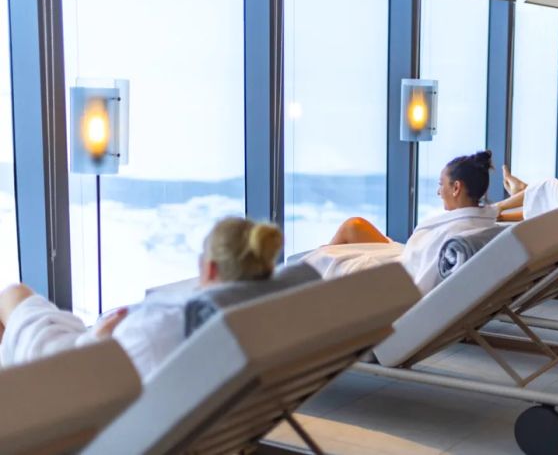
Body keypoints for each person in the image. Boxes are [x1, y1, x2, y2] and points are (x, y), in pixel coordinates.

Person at [0, 217, 283, 380]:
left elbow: (92, 378)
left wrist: (99, 341)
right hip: (96, 358)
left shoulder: (167, 327)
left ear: (210, 268)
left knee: (12, 294)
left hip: (71, 370)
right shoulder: (259, 315)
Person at [303, 151, 499, 294]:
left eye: (441, 184)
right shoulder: (479, 225)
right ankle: (310, 282)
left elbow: (418, 286)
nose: (439, 192)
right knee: (355, 225)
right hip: (405, 260)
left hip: (398, 279)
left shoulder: (456, 235)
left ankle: (307, 289)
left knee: (327, 255)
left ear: (456, 187)